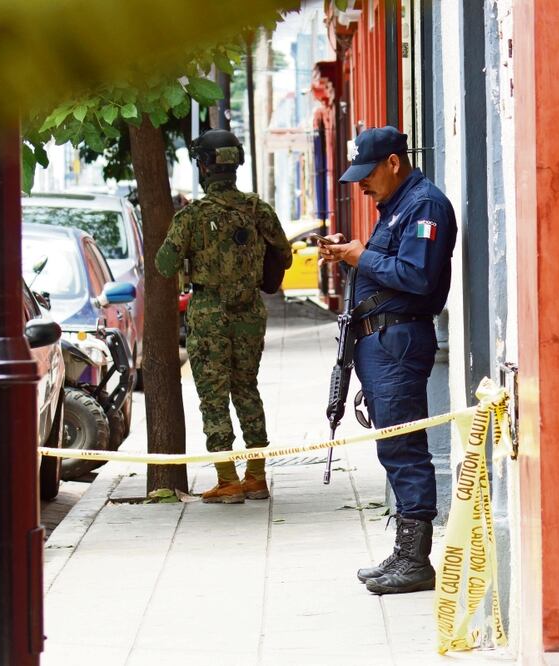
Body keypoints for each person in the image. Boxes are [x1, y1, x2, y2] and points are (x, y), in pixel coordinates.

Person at [319, 126, 457, 595]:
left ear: (394, 163)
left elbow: (417, 278)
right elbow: (386, 271)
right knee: (392, 447)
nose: (361, 184)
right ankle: (404, 552)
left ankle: (415, 561)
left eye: (368, 173)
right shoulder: (397, 206)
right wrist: (349, 255)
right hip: (380, 342)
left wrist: (361, 257)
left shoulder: (425, 206)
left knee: (404, 447)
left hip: (398, 341)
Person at [155, 129, 292, 504]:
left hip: (208, 313)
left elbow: (164, 265)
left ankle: (228, 480)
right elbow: (285, 255)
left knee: (213, 397)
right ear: (238, 163)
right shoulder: (258, 210)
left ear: (202, 166)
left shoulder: (192, 216)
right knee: (247, 388)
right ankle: (257, 477)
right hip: (249, 311)